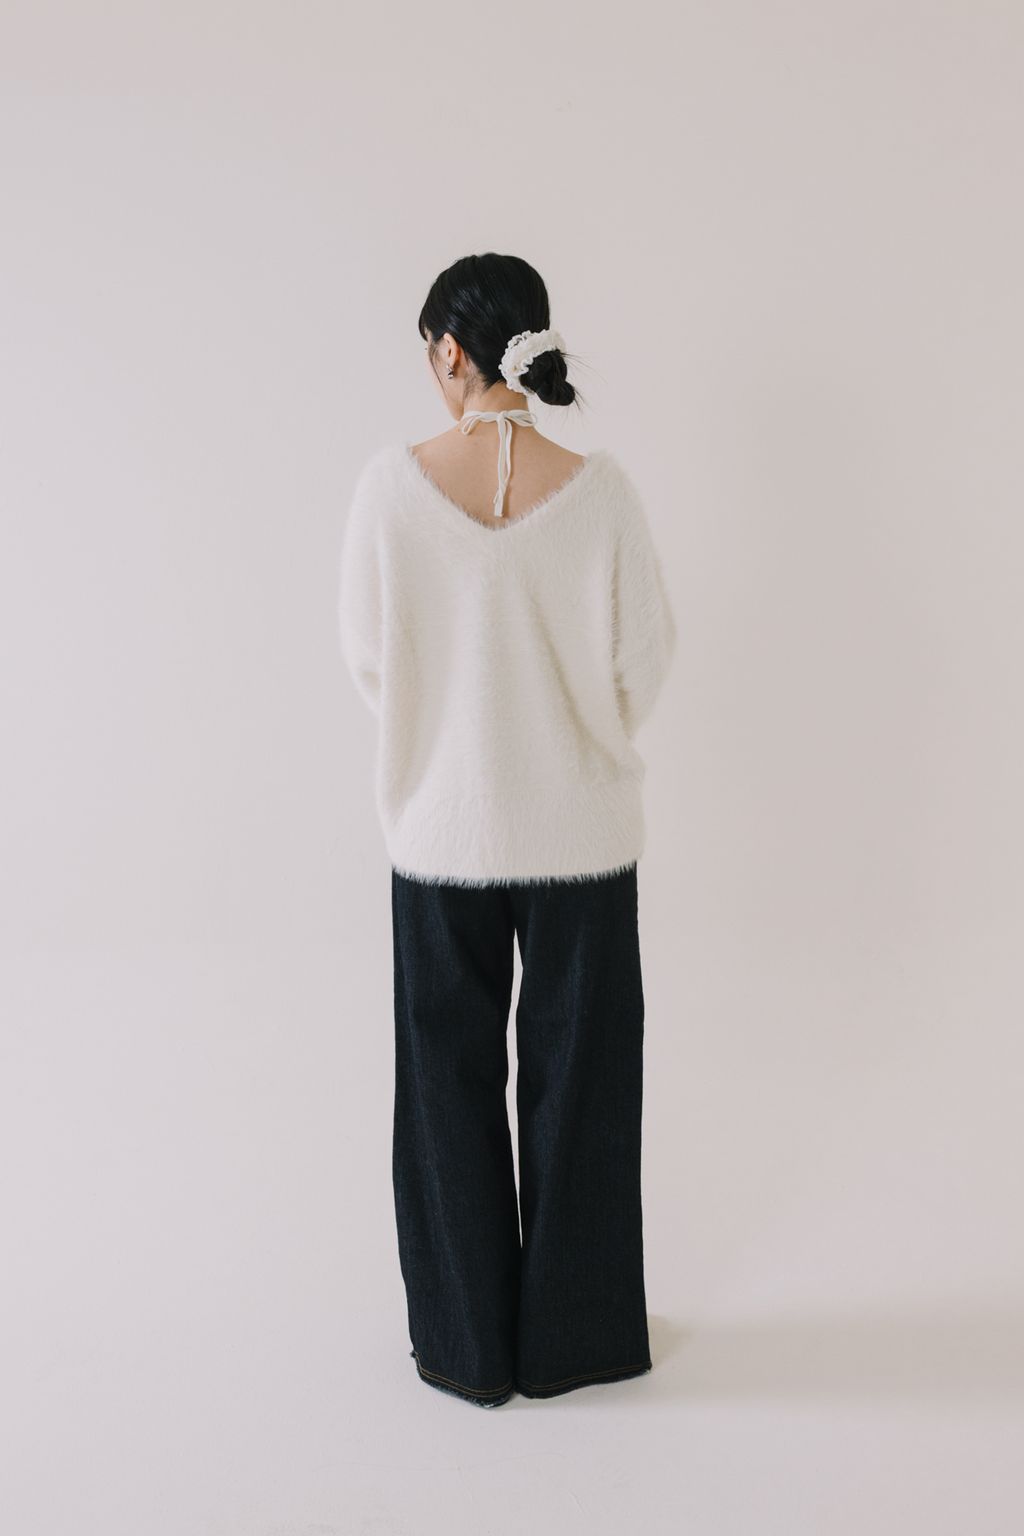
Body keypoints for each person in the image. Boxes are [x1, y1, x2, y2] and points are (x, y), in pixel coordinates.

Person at [337, 252, 676, 1408]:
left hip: (441, 837)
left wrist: (447, 734)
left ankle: (466, 1347)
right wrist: (568, 732)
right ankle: (574, 1342)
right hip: (583, 836)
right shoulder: (600, 490)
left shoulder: (391, 488)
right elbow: (644, 663)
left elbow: (369, 658)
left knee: (442, 1085)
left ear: (449, 352)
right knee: (584, 1086)